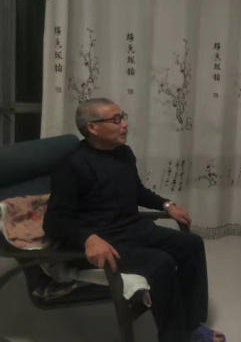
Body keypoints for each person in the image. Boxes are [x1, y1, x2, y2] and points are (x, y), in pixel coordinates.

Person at [43, 98, 225, 342]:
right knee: (161, 263)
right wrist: (88, 238)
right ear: (92, 128)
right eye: (116, 120)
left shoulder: (123, 153)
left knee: (191, 244)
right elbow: (54, 221)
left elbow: (136, 190)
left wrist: (166, 205)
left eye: (123, 117)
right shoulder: (71, 165)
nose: (125, 124)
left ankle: (191, 326)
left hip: (131, 229)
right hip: (104, 242)